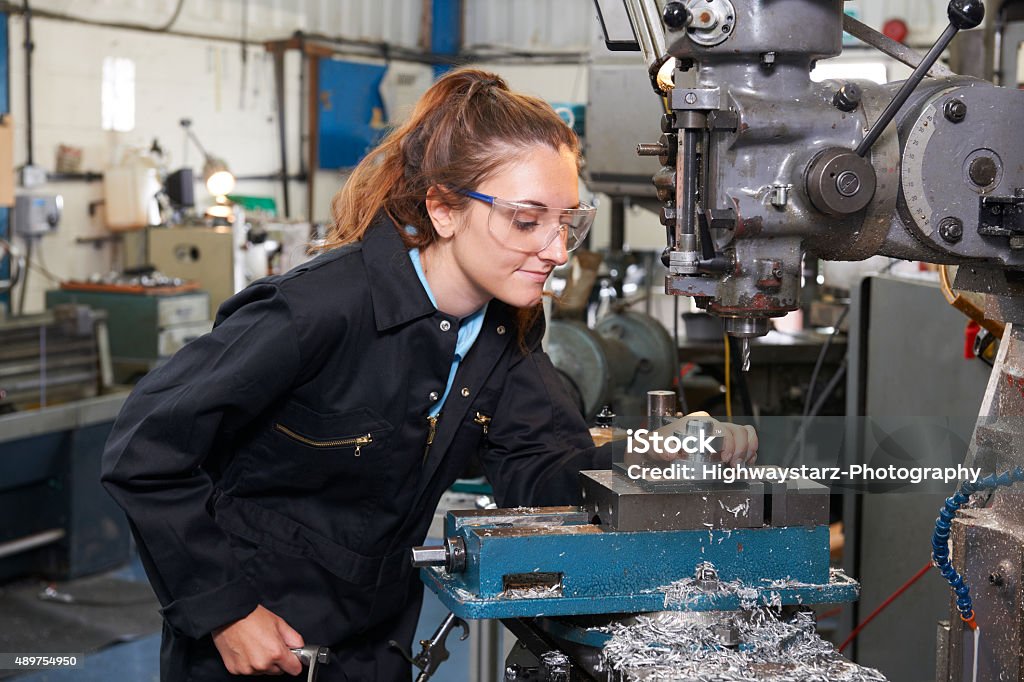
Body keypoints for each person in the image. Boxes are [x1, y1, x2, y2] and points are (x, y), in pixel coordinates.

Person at [101, 68, 757, 681]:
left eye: (568, 223)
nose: (557, 251)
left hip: (376, 643)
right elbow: (144, 448)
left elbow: (539, 469)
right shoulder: (320, 311)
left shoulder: (506, 331)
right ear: (444, 209)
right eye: (527, 221)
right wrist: (226, 611)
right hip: (255, 645)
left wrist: (644, 455)